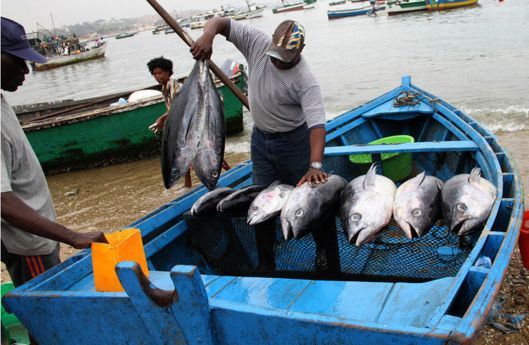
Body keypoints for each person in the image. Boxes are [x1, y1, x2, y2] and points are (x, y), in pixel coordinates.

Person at [191, 18, 339, 274]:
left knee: (313, 200)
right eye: (275, 53)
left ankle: (327, 258)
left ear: (300, 51)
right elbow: (220, 23)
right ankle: (266, 262)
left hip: (294, 142)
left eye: (284, 57)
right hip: (261, 141)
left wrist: (315, 165)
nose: (276, 60)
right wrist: (208, 37)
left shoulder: (305, 79)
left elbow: (316, 125)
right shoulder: (257, 43)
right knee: (262, 200)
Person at [1, 17, 108, 290]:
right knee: (46, 319)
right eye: (18, 61)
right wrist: (73, 236)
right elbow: (3, 202)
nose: (26, 70)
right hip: (29, 245)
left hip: (39, 237)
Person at [146, 56, 193, 188]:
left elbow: (177, 107)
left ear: (168, 72)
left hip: (187, 123)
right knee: (183, 154)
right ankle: (187, 183)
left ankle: (228, 171)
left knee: (191, 152)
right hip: (180, 124)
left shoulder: (173, 84)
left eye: (160, 73)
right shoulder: (165, 87)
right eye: (154, 74)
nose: (157, 76)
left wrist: (162, 119)